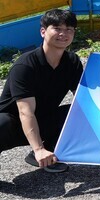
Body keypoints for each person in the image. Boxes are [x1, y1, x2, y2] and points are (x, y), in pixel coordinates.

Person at [0, 9, 84, 173]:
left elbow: (82, 98)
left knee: (78, 111)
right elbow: (25, 112)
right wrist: (38, 148)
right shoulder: (25, 65)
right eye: (57, 28)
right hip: (12, 124)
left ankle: (47, 155)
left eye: (69, 29)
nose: (63, 34)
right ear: (43, 31)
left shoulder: (72, 62)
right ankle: (40, 151)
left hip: (43, 120)